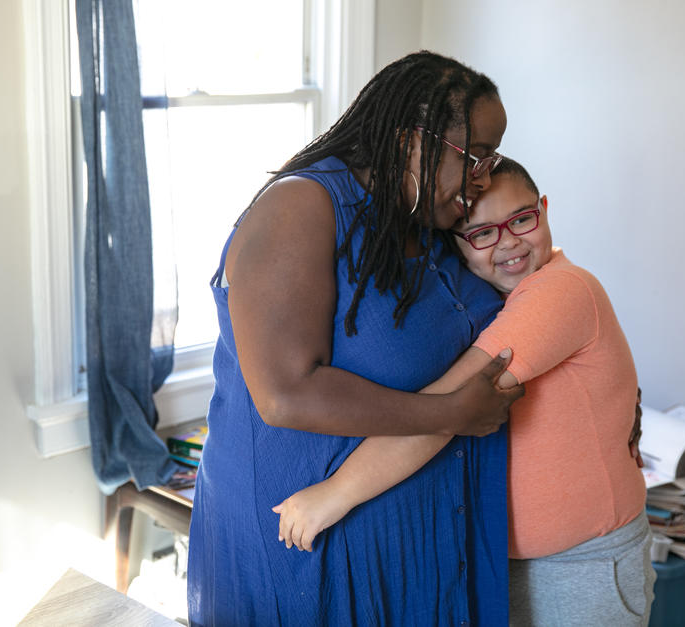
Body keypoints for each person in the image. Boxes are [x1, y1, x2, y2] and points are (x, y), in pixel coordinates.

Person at [186, 51, 525, 626]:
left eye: (491, 157)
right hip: (309, 555)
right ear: (407, 143)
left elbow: (520, 290)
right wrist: (448, 413)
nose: (486, 176)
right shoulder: (303, 207)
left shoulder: (432, 218)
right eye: (475, 156)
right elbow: (285, 394)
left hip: (425, 549)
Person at [272, 159, 655, 626]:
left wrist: (335, 493)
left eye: (521, 219)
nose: (509, 241)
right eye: (482, 233)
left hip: (585, 563)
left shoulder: (561, 290)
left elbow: (446, 408)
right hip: (506, 561)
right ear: (457, 246)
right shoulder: (491, 298)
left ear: (545, 210)